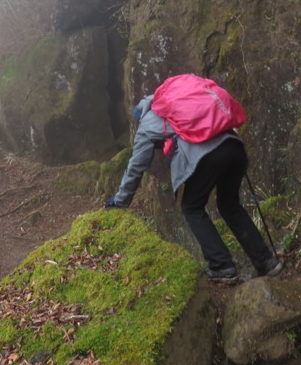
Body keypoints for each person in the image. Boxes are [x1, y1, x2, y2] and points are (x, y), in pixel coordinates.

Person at [105, 94, 282, 284]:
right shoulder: (183, 101)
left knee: (191, 207)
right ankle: (267, 262)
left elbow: (136, 166)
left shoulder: (147, 123)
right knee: (229, 205)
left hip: (207, 154)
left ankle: (223, 266)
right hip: (234, 146)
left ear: (141, 113)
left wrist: (120, 200)